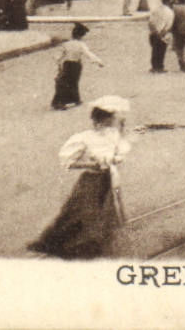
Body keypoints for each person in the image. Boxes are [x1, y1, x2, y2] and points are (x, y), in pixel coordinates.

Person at [28, 97, 132, 258]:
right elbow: (68, 162)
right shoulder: (85, 138)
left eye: (113, 120)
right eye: (109, 120)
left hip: (109, 178)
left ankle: (94, 243)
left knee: (104, 210)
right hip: (91, 180)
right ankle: (71, 243)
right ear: (100, 120)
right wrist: (90, 164)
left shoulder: (113, 135)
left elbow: (121, 151)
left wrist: (115, 157)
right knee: (83, 211)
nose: (111, 123)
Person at [52, 23, 104, 109]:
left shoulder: (66, 44)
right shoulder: (81, 45)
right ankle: (64, 101)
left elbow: (59, 55)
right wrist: (98, 62)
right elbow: (89, 54)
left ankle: (72, 99)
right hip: (76, 65)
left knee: (65, 82)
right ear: (81, 36)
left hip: (67, 64)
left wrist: (58, 62)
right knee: (73, 82)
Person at [147, 0, 173, 74]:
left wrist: (154, 31)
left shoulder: (155, 10)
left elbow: (150, 21)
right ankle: (160, 67)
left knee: (154, 50)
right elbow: (168, 25)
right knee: (161, 51)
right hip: (163, 34)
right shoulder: (170, 12)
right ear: (169, 1)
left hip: (153, 33)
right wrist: (162, 33)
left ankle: (154, 67)